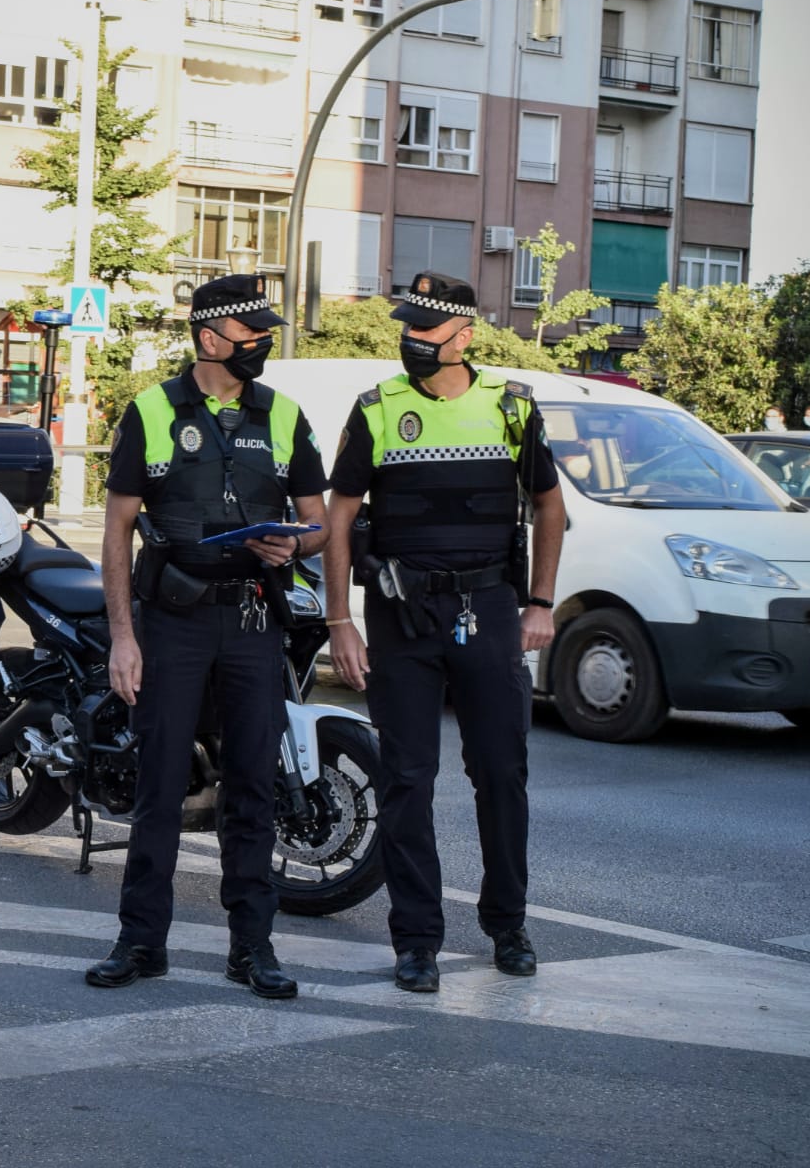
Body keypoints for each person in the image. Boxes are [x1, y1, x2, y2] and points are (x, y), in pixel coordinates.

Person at [322, 272, 567, 995]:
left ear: (465, 336)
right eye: (409, 328)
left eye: (426, 330)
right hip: (402, 615)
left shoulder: (512, 409)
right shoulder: (376, 409)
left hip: (488, 609)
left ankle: (509, 924)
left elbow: (549, 508)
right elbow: (339, 519)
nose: (412, 341)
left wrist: (541, 602)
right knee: (406, 779)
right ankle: (417, 940)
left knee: (500, 772)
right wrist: (342, 620)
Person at [89, 273, 330, 1000]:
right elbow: (117, 530)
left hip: (253, 620)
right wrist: (123, 639)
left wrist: (296, 546)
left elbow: (317, 522)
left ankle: (251, 947)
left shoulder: (284, 415)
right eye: (250, 332)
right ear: (208, 337)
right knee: (160, 784)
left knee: (252, 788)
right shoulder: (153, 410)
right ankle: (140, 941)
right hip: (172, 623)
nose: (261, 342)